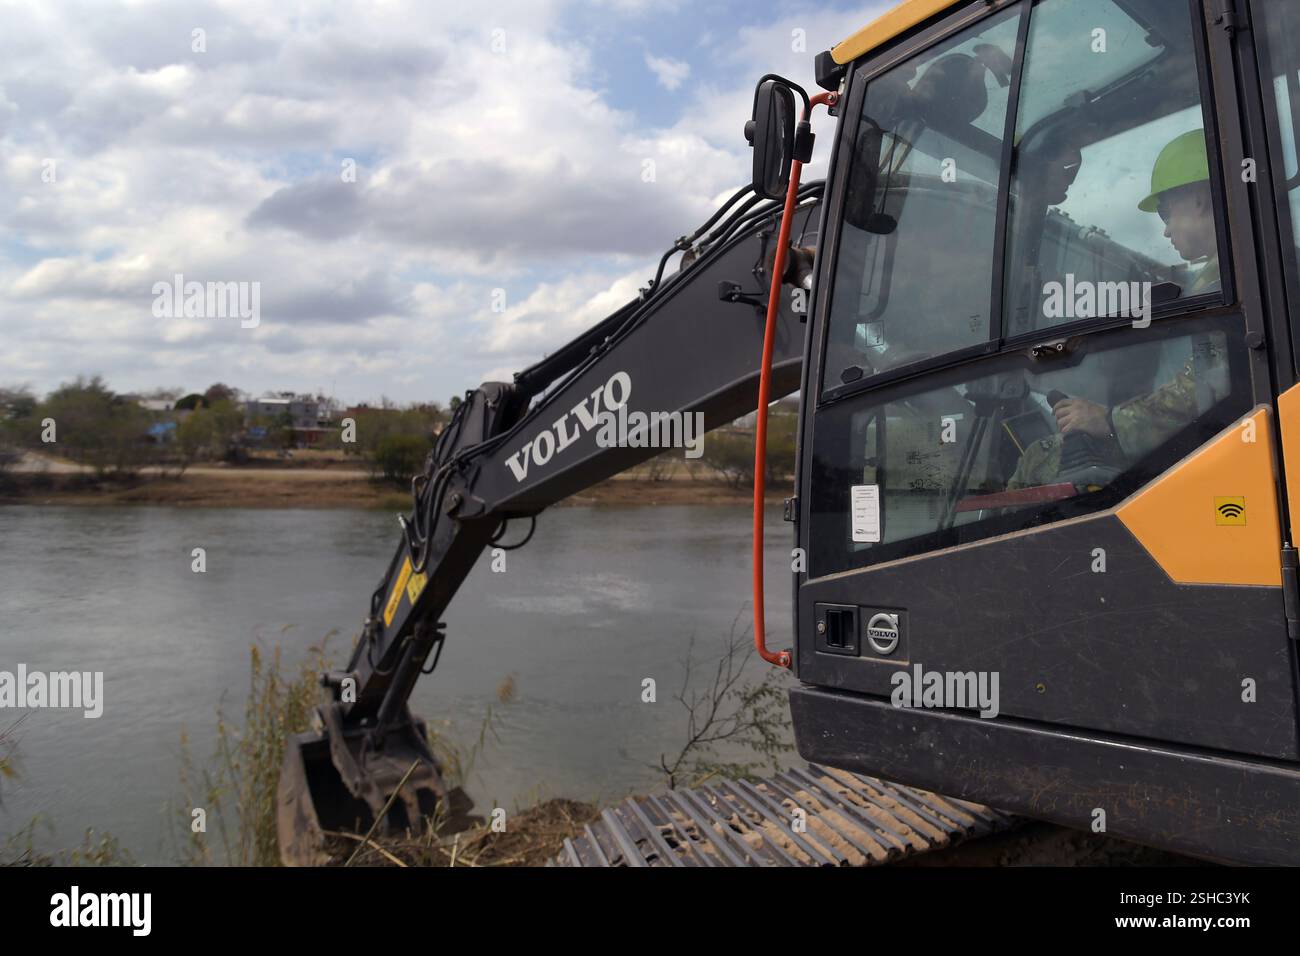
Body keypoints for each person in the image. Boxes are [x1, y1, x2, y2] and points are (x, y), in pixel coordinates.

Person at [1008, 129, 1225, 489]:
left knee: (1035, 464)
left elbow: (1197, 395)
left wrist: (1108, 420)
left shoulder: (1224, 288)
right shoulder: (1236, 277)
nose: (1166, 232)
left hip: (1209, 460)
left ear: (1199, 200)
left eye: (1165, 213)